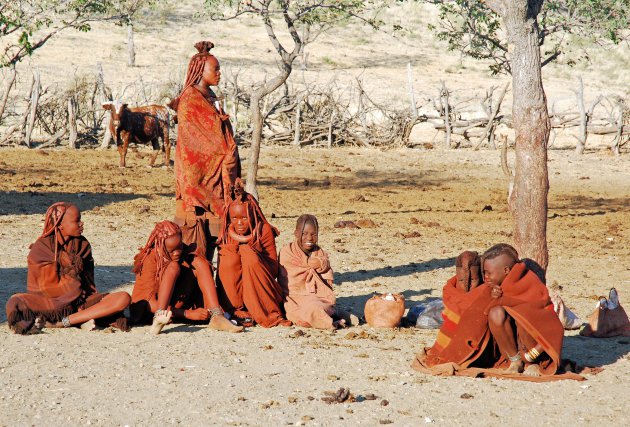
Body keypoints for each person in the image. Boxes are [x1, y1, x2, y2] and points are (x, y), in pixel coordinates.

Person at [412, 244, 569, 380]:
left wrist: (532, 355)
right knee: (495, 314)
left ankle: (532, 364)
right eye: (483, 273)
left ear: (506, 270)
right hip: (513, 349)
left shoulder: (529, 284)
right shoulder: (493, 287)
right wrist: (494, 300)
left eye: (488, 273)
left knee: (523, 317)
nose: (485, 277)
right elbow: (477, 315)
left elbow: (549, 325)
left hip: (534, 349)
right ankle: (515, 361)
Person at [5, 202, 130, 334]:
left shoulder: (83, 244)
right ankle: (81, 318)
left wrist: (82, 298)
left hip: (80, 301)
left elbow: (88, 286)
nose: (82, 224)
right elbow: (45, 289)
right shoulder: (41, 248)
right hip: (50, 302)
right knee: (16, 302)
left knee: (123, 298)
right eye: (77, 221)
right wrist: (72, 285)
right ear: (60, 225)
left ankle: (63, 322)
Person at [168, 40, 240, 261]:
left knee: (217, 238)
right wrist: (227, 152)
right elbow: (201, 142)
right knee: (197, 241)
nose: (219, 74)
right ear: (200, 70)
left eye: (219, 68)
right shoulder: (190, 100)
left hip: (217, 176)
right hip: (198, 179)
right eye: (215, 69)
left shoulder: (208, 97)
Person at [130, 221, 243, 334]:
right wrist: (187, 314)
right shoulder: (150, 259)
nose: (177, 253)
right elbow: (149, 304)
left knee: (198, 261)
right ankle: (159, 319)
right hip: (150, 311)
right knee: (173, 266)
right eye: (171, 250)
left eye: (179, 247)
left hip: (174, 304)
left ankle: (217, 315)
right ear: (160, 247)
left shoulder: (182, 251)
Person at [216, 179, 291, 328]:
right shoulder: (227, 231)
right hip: (236, 294)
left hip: (262, 290)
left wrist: (249, 254)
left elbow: (273, 269)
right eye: (234, 219)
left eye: (244, 218)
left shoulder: (264, 230)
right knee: (229, 257)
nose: (239, 223)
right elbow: (223, 271)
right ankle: (235, 310)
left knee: (249, 255)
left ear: (252, 215)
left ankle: (260, 311)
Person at [278, 214, 346, 329]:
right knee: (310, 310)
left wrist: (321, 263)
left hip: (320, 298)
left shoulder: (320, 254)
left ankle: (332, 317)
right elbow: (285, 283)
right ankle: (331, 322)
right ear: (296, 234)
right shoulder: (286, 252)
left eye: (313, 234)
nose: (309, 238)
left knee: (321, 306)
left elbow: (327, 279)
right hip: (294, 299)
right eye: (304, 234)